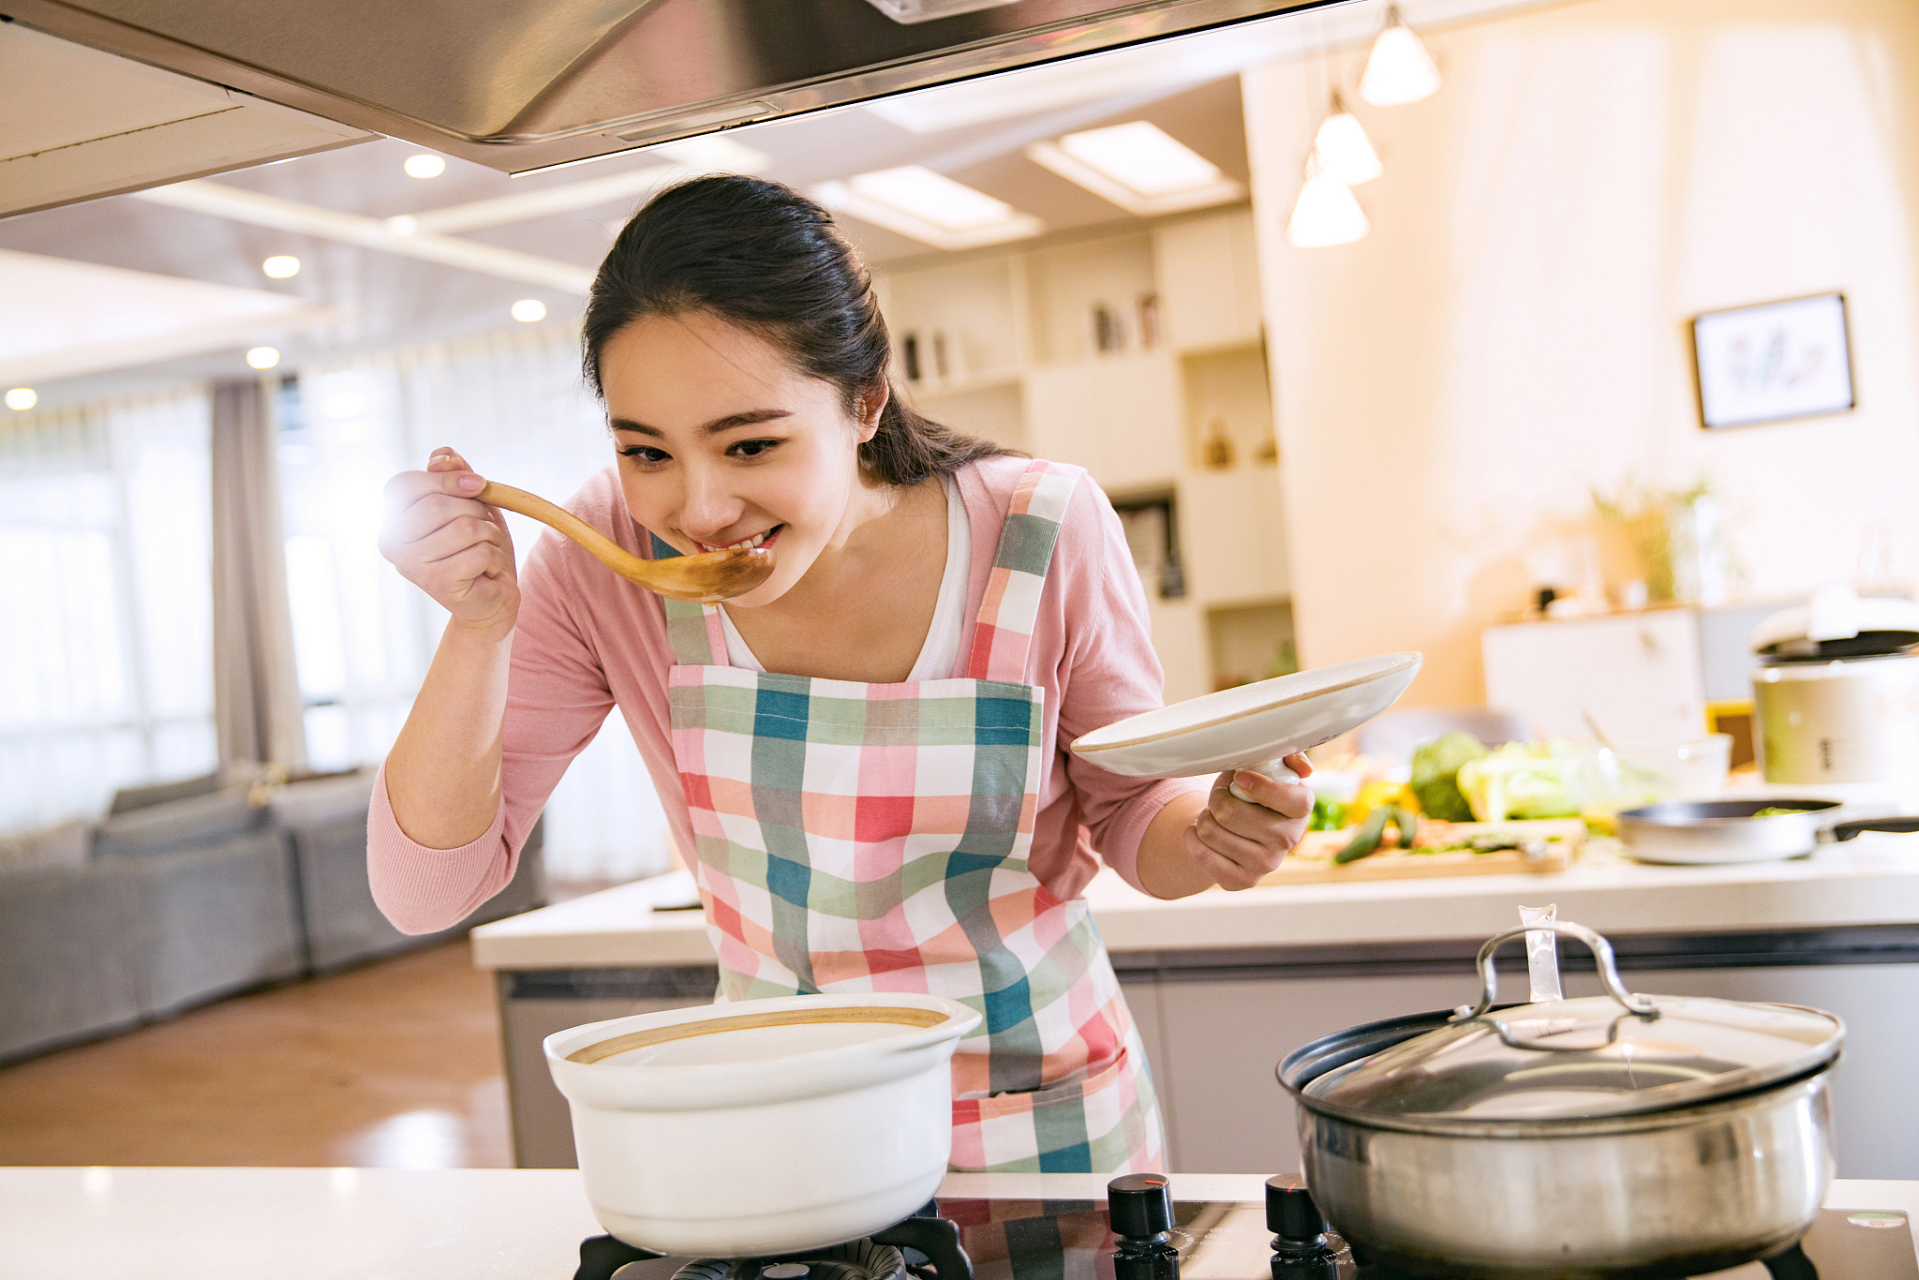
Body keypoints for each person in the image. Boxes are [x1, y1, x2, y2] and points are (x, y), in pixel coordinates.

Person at [371, 174, 1311, 1174]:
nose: (698, 508)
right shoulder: (603, 556)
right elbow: (425, 890)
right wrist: (478, 626)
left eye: (750, 444)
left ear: (865, 399)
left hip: (1039, 1124)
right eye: (645, 450)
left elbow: (1130, 821)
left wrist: (1211, 836)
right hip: (787, 1134)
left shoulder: (1036, 530)